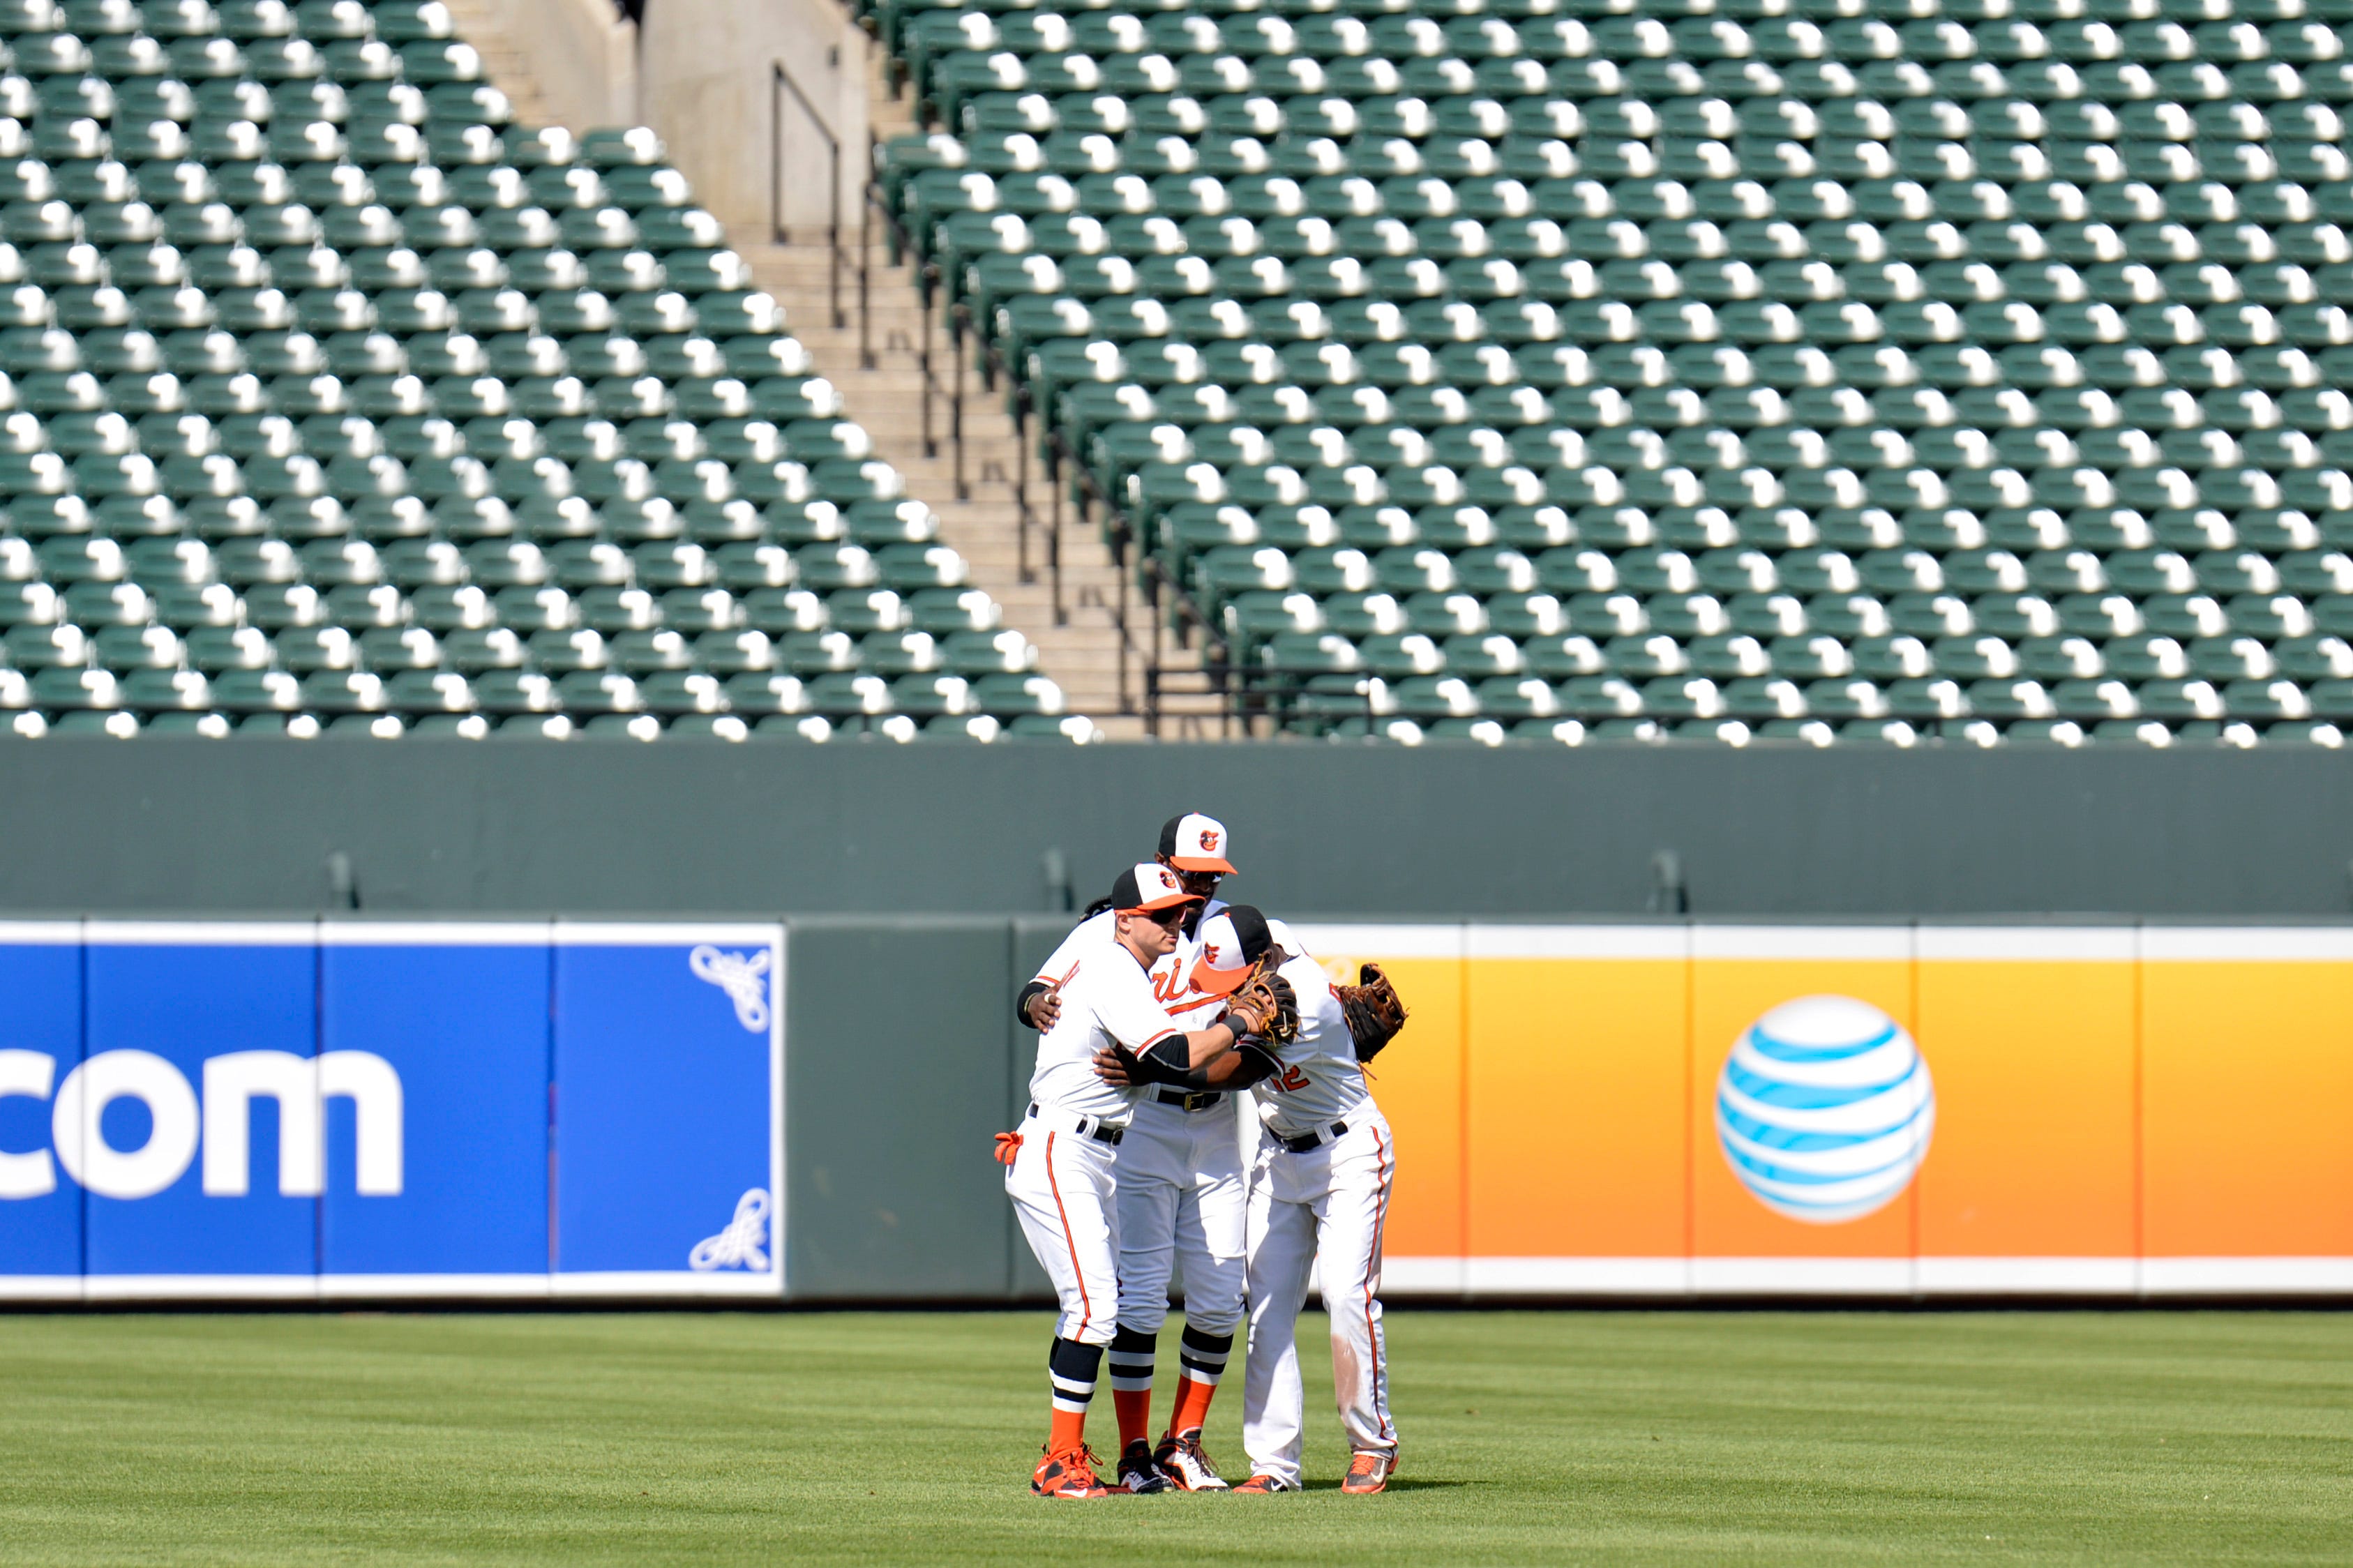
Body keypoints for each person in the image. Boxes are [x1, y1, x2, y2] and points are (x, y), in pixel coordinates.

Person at [1095, 905, 1399, 1495]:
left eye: (1231, 982)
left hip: (1347, 1152)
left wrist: (1147, 1069)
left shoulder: (1304, 1002)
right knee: (1264, 1310)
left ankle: (1371, 1445)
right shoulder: (1266, 943)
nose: (1225, 996)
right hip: (1277, 1153)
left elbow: (1233, 1071)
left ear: (1259, 964)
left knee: (1344, 1295)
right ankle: (1275, 1467)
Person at [1000, 863, 1279, 1500]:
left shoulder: (1133, 969)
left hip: (1095, 1150)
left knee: (1101, 1307)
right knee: (1098, 1308)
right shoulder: (1111, 966)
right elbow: (1172, 1058)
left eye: (1179, 909)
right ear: (1123, 920)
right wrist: (1239, 1023)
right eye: (1161, 913)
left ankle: (1072, 1456)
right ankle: (1060, 1460)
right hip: (1063, 1147)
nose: (1175, 920)